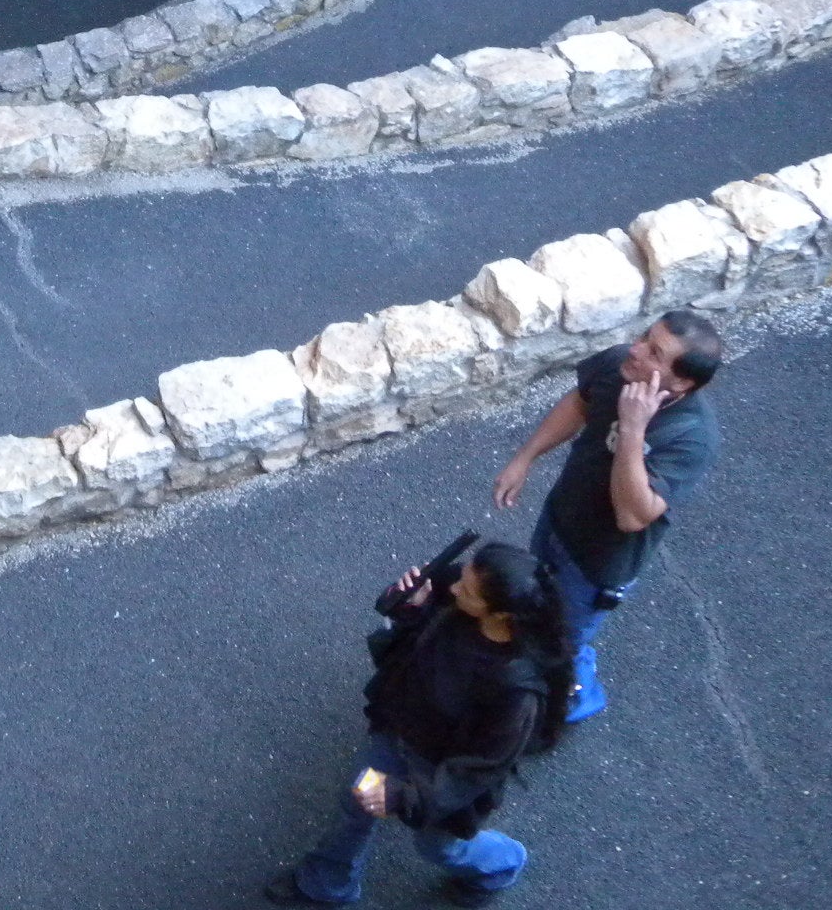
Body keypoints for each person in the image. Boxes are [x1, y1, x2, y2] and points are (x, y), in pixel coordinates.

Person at [266, 541, 575, 905]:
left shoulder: (515, 695)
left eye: (469, 590)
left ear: (502, 616)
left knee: (439, 848)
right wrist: (410, 605)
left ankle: (502, 864)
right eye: (463, 576)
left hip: (439, 771)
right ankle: (327, 882)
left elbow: (474, 773)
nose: (456, 584)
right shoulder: (456, 598)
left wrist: (404, 797)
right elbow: (409, 642)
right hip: (399, 734)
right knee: (356, 800)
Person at [490, 309, 723, 721]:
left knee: (566, 637)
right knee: (537, 602)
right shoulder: (620, 366)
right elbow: (580, 403)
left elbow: (634, 517)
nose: (634, 351)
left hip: (598, 563)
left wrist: (634, 429)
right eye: (644, 338)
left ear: (682, 381)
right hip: (559, 519)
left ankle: (576, 695)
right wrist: (524, 458)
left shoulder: (690, 436)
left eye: (654, 352)